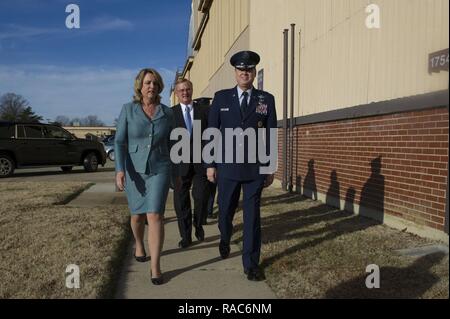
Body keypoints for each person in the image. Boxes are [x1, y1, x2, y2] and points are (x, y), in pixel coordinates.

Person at [206, 51, 277, 281]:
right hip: (227, 168)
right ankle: (225, 237)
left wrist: (270, 166)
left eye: (248, 70)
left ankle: (251, 263)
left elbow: (270, 135)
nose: (244, 73)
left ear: (254, 72)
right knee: (225, 211)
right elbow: (211, 133)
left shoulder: (266, 99)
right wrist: (210, 164)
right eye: (240, 70)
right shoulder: (221, 98)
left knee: (252, 217)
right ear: (235, 73)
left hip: (254, 170)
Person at [115, 68, 178, 285]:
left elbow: (173, 142)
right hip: (134, 171)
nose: (151, 86)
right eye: (148, 82)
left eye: (155, 83)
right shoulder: (128, 110)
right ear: (140, 86)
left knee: (155, 216)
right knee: (137, 216)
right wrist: (119, 170)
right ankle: (139, 244)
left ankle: (155, 267)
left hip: (160, 168)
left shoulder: (168, 113)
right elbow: (119, 142)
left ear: (159, 87)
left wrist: (174, 168)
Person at [172, 79, 210, 248]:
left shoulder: (204, 111)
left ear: (192, 90)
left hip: (200, 163)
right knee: (181, 202)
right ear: (176, 93)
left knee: (201, 197)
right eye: (181, 90)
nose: (185, 92)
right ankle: (185, 236)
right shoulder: (170, 113)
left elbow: (211, 135)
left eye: (187, 89)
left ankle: (198, 224)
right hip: (179, 165)